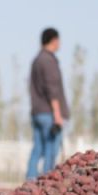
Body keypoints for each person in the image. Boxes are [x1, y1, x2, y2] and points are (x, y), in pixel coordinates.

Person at [26, 28, 70, 179]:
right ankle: (46, 185)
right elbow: (52, 88)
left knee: (37, 149)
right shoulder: (49, 61)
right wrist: (57, 114)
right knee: (51, 150)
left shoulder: (36, 60)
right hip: (49, 113)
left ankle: (29, 183)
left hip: (37, 112)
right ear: (54, 40)